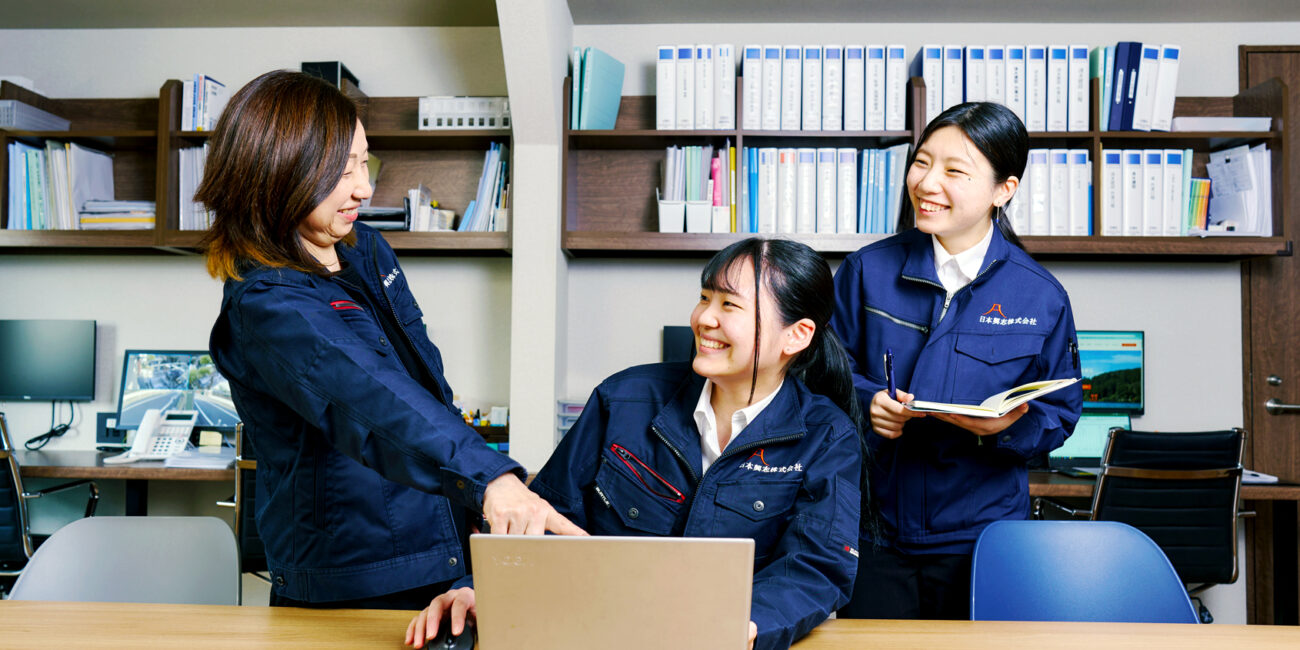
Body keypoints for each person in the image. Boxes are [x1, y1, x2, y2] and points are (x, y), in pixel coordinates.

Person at [202, 70, 582, 610]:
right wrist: (489, 478)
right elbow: (369, 395)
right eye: (341, 168)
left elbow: (422, 390)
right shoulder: (268, 304)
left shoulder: (366, 251)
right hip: (353, 578)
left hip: (441, 552)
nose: (363, 187)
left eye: (364, 161)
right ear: (278, 169)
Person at [405, 238, 864, 650]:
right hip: (596, 633)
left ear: (796, 335)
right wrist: (477, 587)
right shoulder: (623, 398)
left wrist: (746, 625)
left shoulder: (827, 435)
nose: (704, 318)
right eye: (705, 298)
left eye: (730, 305)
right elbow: (548, 516)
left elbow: (815, 567)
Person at [831, 102, 1083, 620]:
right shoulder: (865, 272)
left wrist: (1003, 430)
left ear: (1003, 189)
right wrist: (868, 402)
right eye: (922, 163)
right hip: (872, 529)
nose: (926, 183)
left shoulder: (1040, 295)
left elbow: (1059, 414)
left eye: (954, 171)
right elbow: (817, 378)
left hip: (983, 537)